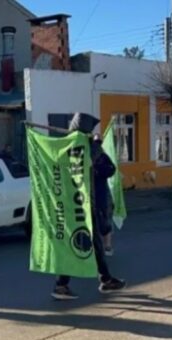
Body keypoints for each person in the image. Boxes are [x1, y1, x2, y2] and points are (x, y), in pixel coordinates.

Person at [52, 113, 126, 300]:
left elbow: (106, 167)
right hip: (74, 205)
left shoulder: (80, 145)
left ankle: (106, 279)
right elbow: (85, 161)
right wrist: (96, 144)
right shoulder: (72, 146)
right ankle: (61, 285)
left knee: (94, 244)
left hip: (85, 204)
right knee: (75, 245)